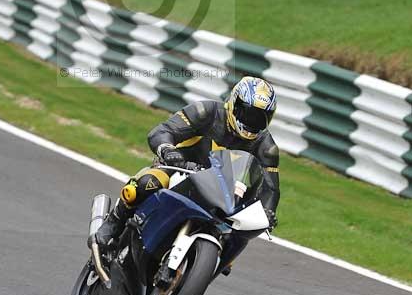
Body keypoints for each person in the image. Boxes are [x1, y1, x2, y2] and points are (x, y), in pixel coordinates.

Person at [94, 76, 280, 271]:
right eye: (248, 113)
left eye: (260, 118)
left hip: (222, 195)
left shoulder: (266, 148)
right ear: (234, 103)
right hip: (179, 169)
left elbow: (271, 188)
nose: (251, 122)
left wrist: (268, 211)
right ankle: (114, 222)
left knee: (239, 234)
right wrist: (168, 150)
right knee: (145, 185)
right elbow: (162, 131)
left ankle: (201, 271)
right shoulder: (206, 112)